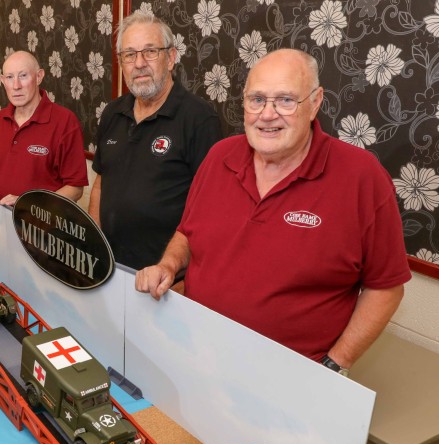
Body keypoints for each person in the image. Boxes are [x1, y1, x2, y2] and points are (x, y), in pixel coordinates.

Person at [136, 49, 411, 374]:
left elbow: (386, 287)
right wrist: (168, 264)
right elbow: (188, 231)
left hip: (293, 377)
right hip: (197, 353)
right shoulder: (219, 156)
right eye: (257, 100)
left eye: (285, 100)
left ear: (315, 102)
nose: (267, 114)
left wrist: (334, 364)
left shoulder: (361, 177)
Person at [89, 12, 223, 270]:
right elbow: (100, 185)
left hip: (165, 277)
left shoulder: (199, 119)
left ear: (171, 58)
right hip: (110, 268)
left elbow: (209, 210)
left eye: (150, 52)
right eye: (129, 55)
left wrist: (174, 271)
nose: (139, 63)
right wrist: (95, 244)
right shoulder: (112, 113)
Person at [0, 50, 88, 206]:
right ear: (3, 81)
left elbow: (75, 188)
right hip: (3, 216)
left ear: (39, 77)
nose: (16, 86)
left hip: (44, 220)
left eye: (23, 76)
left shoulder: (65, 121)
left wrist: (30, 206)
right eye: (10, 77)